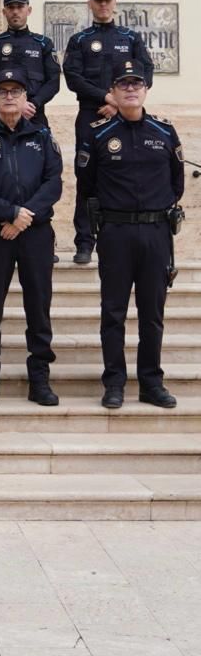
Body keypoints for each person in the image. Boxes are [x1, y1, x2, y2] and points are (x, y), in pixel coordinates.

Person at [77, 60, 184, 410]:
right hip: (116, 233)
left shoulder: (165, 132)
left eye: (137, 83)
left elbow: (177, 183)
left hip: (156, 233)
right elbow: (87, 184)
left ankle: (151, 382)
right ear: (113, 91)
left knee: (152, 313)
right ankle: (115, 383)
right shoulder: (100, 134)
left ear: (146, 89)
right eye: (123, 84)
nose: (131, 89)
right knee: (113, 312)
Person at [0, 67, 63, 407]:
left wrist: (23, 217)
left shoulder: (43, 137)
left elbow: (54, 183)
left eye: (15, 91)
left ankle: (40, 380)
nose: (9, 96)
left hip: (34, 232)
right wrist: (10, 214)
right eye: (2, 90)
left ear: (25, 98)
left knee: (39, 306)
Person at [63, 0, 154, 265]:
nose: (103, 5)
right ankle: (85, 242)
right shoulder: (79, 40)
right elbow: (73, 77)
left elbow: (146, 73)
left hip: (124, 118)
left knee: (123, 176)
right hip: (91, 116)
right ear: (90, 4)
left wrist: (121, 104)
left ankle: (116, 240)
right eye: (97, 0)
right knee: (86, 178)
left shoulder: (130, 38)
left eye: (107, 0)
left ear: (114, 3)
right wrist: (106, 97)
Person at [0, 0, 60, 126]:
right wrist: (10, 105)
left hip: (34, 115)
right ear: (4, 12)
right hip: (0, 117)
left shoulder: (43, 44)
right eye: (11, 7)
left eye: (20, 7)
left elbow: (53, 82)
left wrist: (32, 104)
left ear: (28, 10)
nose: (15, 11)